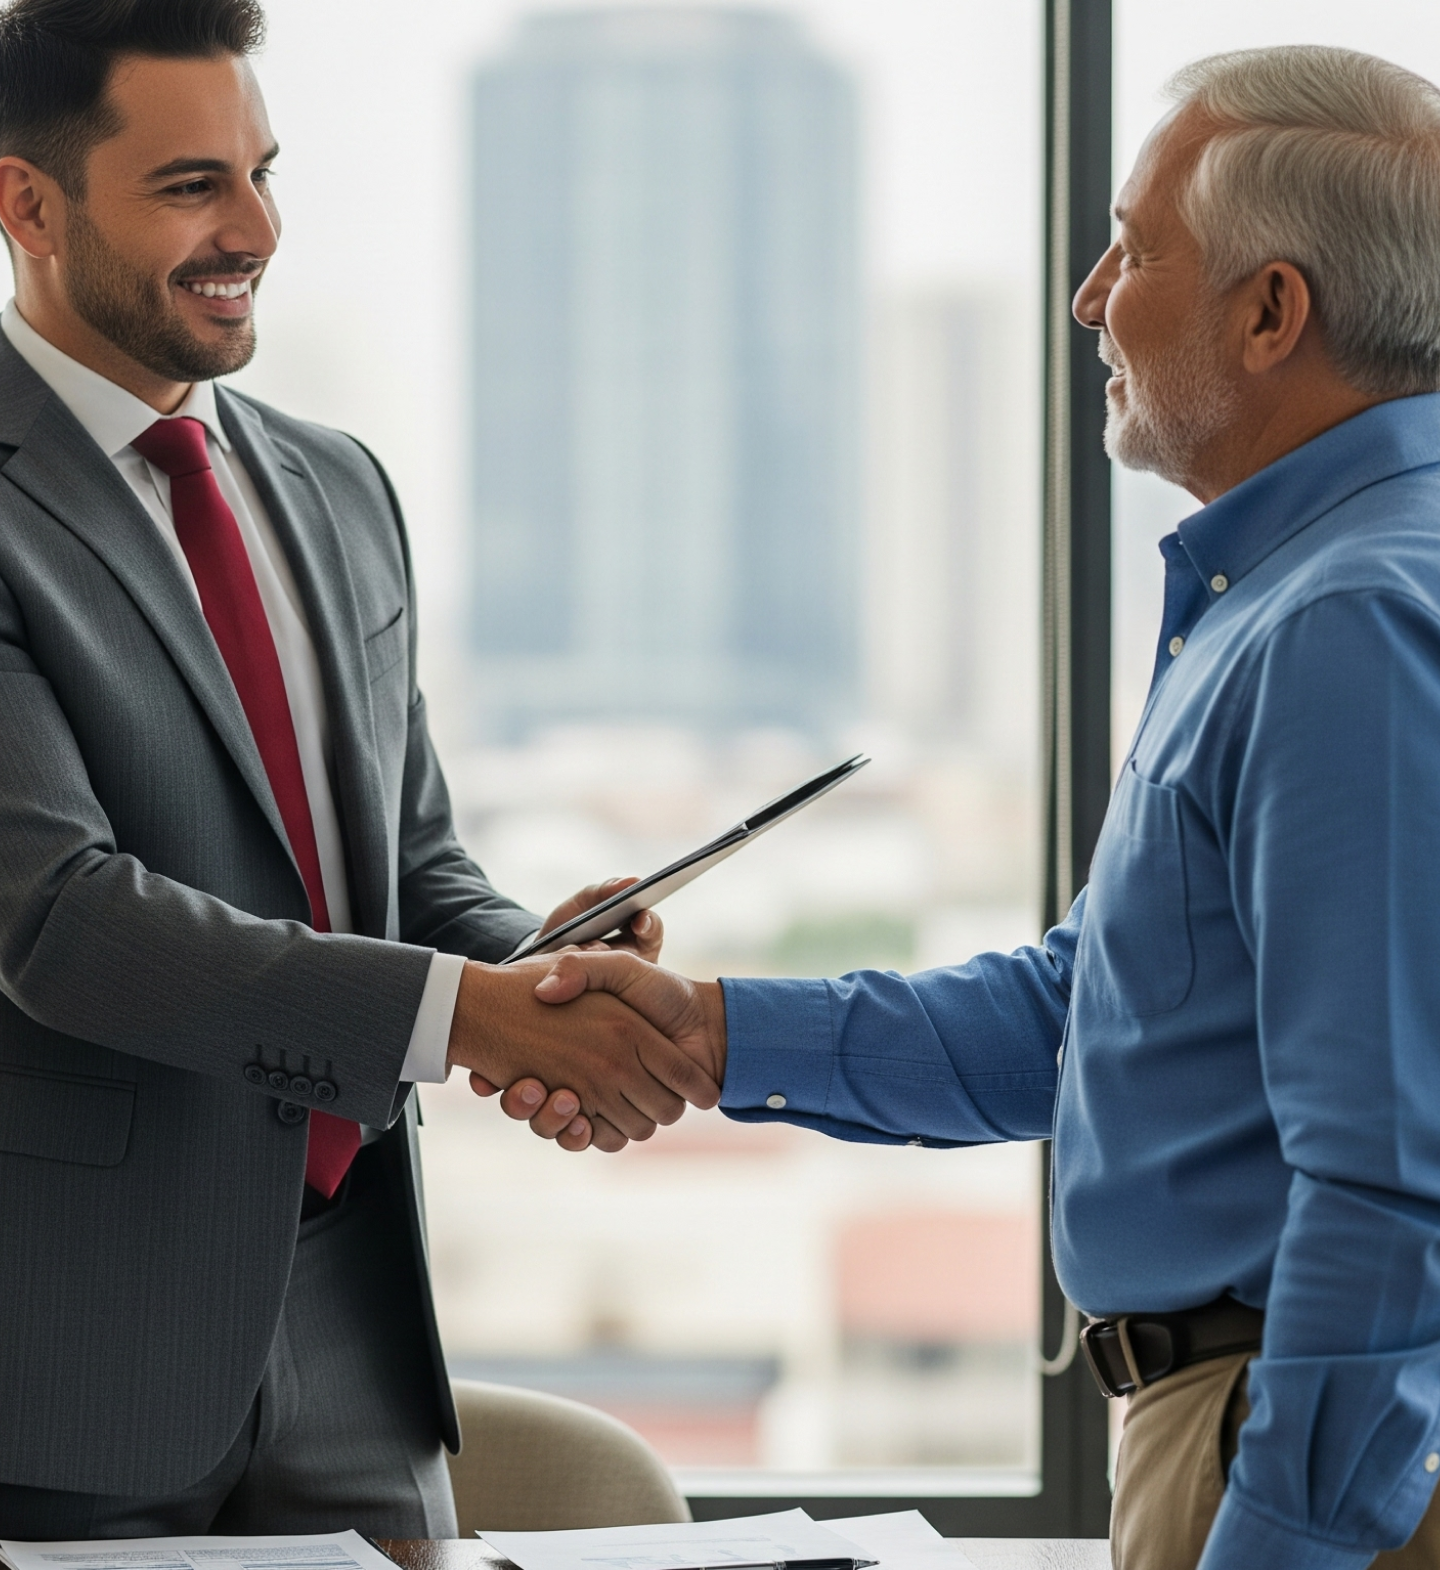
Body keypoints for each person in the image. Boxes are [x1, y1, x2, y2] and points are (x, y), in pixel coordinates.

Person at [497, 45, 1440, 1570]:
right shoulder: (1283, 598)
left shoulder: (1352, 622)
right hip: (1240, 1441)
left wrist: (1270, 1546)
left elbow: (1395, 1178)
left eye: (1136, 250)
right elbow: (1091, 1018)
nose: (1089, 297)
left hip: (1283, 1471)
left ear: (1272, 312)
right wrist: (705, 1033)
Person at [0, 0, 720, 1539]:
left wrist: (535, 964)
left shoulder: (334, 485)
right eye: (192, 183)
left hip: (354, 1334)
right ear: (27, 205)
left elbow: (407, 859)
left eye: (263, 171)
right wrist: (469, 1020)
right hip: (67, 1350)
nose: (254, 224)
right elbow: (60, 918)